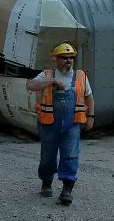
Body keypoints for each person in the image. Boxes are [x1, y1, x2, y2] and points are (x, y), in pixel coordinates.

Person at [26, 42, 94, 206]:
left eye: (71, 57)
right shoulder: (47, 74)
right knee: (48, 156)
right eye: (64, 57)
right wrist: (52, 81)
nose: (68, 60)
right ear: (56, 59)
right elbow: (31, 85)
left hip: (72, 124)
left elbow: (89, 97)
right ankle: (46, 182)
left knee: (70, 155)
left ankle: (67, 189)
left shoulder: (80, 76)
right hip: (49, 124)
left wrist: (91, 116)